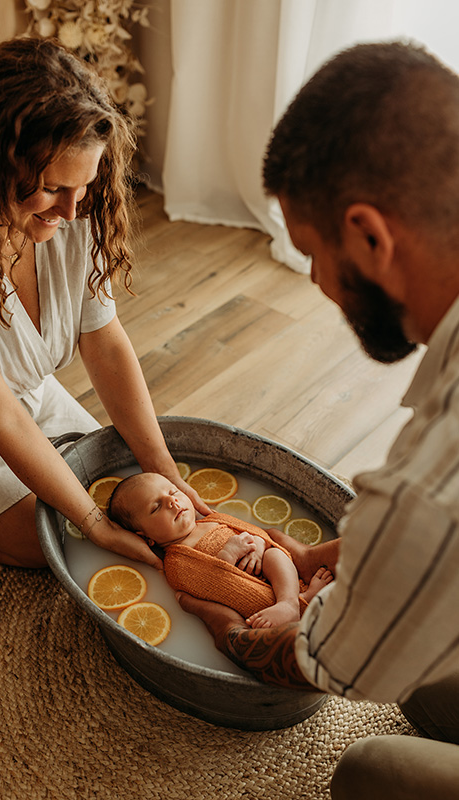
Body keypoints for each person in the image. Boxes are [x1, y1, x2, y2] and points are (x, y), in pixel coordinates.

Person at [176, 40, 459, 799]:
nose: (319, 285)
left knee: (370, 770)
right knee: (425, 683)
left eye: (311, 254)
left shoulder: (434, 485)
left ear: (368, 235)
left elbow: (324, 660)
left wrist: (230, 614)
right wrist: (306, 563)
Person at [0, 37, 208, 569]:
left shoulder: (76, 212)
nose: (73, 210)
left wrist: (163, 464)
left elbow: (105, 343)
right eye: (54, 187)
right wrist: (94, 524)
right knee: (60, 542)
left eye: (85, 185)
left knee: (135, 498)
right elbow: (0, 420)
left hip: (26, 401)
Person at [107, 471, 335, 627]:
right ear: (145, 536)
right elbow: (209, 585)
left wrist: (258, 546)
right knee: (252, 614)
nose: (172, 502)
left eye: (173, 492)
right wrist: (228, 555)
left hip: (273, 575)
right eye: (156, 507)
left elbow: (254, 532)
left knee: (274, 553)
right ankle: (300, 603)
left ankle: (292, 600)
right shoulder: (176, 561)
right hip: (251, 593)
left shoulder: (211, 519)